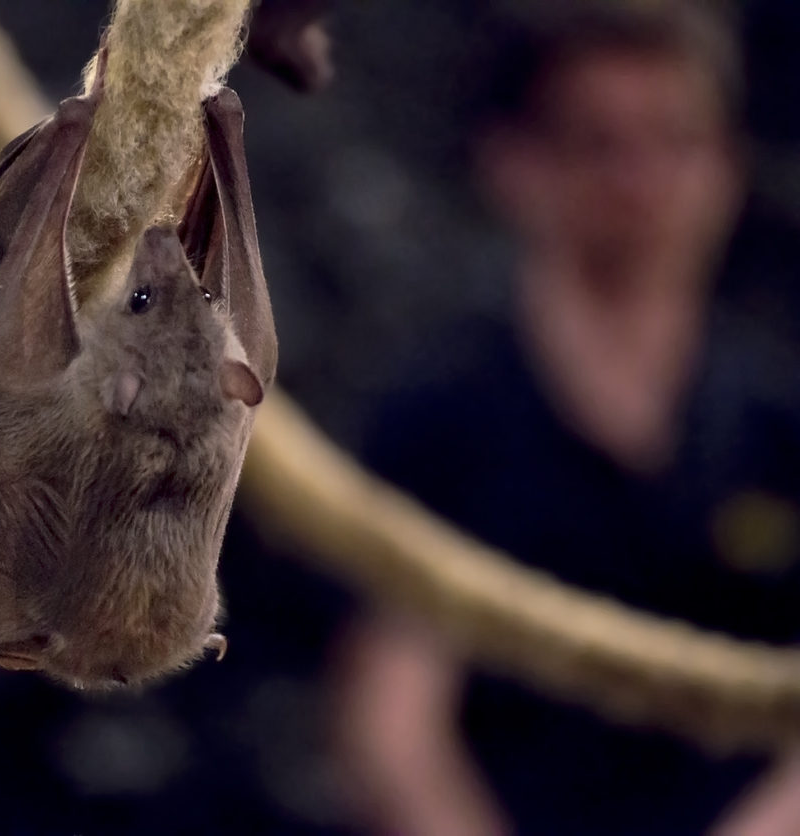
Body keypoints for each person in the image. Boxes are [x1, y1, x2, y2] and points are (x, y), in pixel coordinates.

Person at [333, 3, 800, 834]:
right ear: (516, 165)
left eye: (675, 140)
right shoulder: (444, 417)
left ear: (726, 165)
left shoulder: (777, 424)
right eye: (601, 145)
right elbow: (393, 724)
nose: (641, 182)